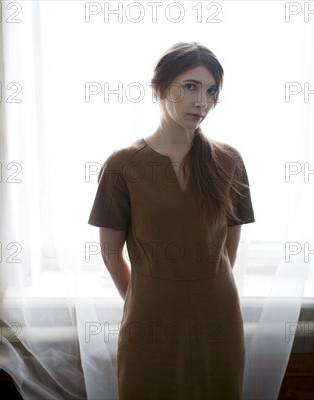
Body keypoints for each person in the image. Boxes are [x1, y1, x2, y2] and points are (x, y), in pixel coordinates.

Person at [88, 41, 255, 400]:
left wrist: (202, 286)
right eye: (191, 86)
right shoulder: (122, 165)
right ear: (160, 88)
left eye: (211, 91)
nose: (202, 102)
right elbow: (110, 253)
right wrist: (147, 295)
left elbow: (228, 249)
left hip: (218, 312)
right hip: (149, 314)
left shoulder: (229, 161)